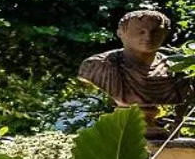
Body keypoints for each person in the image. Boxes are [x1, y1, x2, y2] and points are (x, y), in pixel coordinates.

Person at [79, 9, 188, 140]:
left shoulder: (177, 70)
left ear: (165, 33)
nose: (148, 37)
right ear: (121, 33)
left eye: (155, 31)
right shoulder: (97, 66)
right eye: (140, 32)